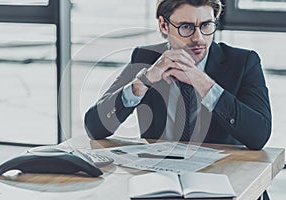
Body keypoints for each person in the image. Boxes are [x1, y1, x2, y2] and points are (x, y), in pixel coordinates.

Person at [84, 0, 271, 198]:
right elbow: (95, 127)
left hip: (227, 183)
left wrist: (204, 83)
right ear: (164, 25)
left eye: (206, 25)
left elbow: (259, 135)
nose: (198, 38)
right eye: (186, 27)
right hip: (161, 186)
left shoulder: (243, 62)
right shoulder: (146, 57)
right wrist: (142, 82)